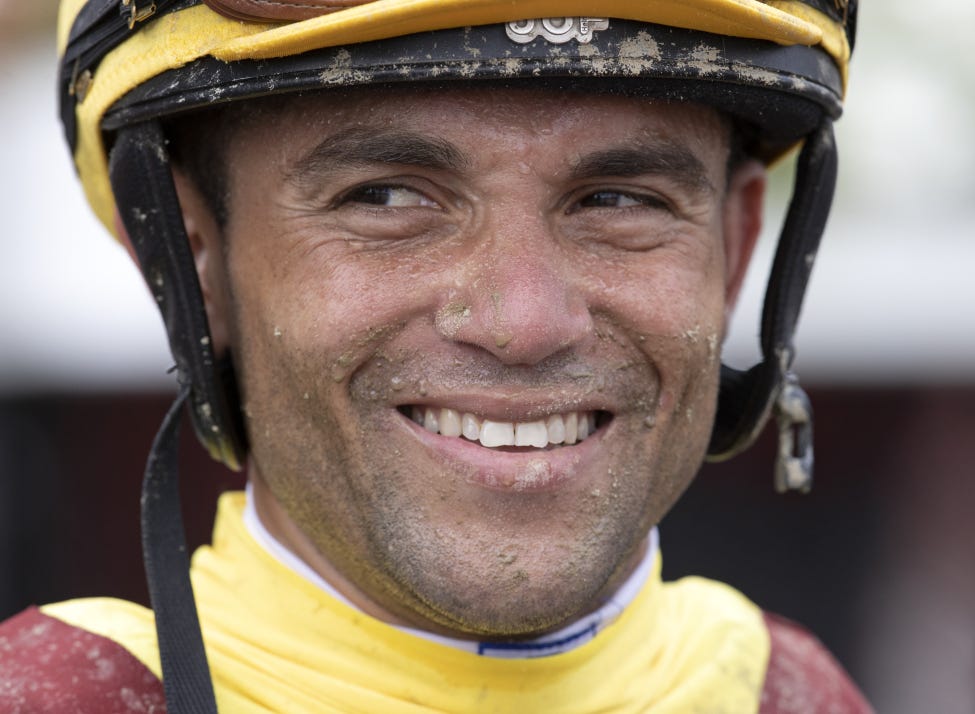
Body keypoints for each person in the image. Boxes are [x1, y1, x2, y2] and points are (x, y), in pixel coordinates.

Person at [1, 0, 871, 711]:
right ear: (193, 258)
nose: (524, 324)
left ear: (735, 247)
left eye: (618, 200)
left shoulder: (790, 696)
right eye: (385, 197)